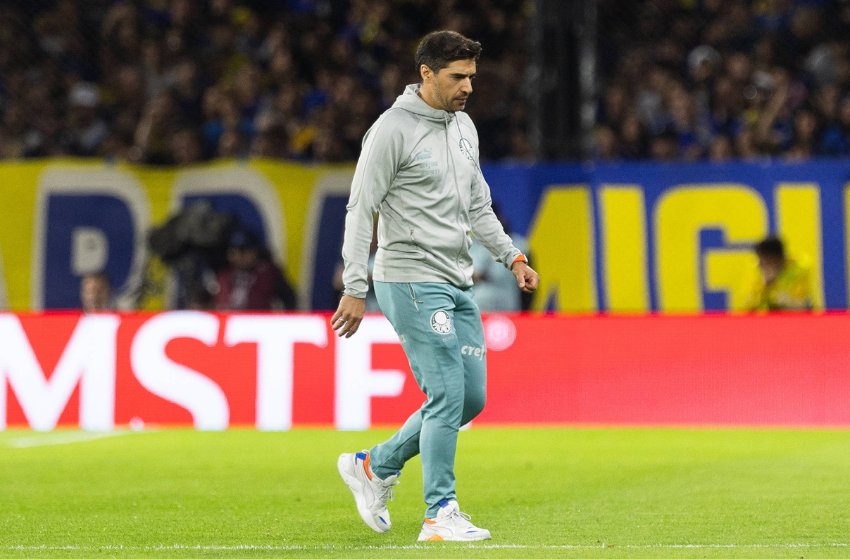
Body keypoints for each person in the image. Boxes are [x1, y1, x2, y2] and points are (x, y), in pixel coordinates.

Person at [332, 30, 539, 542]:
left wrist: (510, 255)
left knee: (469, 399)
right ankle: (439, 514)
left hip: (455, 279)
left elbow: (478, 207)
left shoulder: (463, 127)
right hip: (407, 277)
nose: (468, 86)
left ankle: (374, 465)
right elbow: (362, 209)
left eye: (471, 76)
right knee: (446, 391)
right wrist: (355, 285)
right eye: (457, 77)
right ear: (426, 73)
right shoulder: (391, 131)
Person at [213, 229, 297, 311]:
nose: (239, 257)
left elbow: (290, 299)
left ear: (255, 252)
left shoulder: (268, 273)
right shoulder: (224, 274)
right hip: (229, 321)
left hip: (258, 322)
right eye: (234, 252)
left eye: (244, 252)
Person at [745, 236, 813, 312]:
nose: (760, 265)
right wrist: (765, 287)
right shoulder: (759, 269)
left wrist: (777, 295)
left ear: (777, 260)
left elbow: (801, 307)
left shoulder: (799, 270)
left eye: (764, 261)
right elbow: (749, 307)